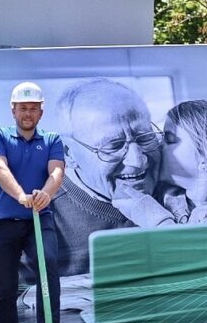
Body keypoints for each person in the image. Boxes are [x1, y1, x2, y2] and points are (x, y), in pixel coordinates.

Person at [0, 81, 71, 323]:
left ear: (41, 112)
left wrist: (46, 193)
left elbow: (57, 170)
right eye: (23, 108)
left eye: (33, 108)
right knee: (5, 289)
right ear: (13, 110)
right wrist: (20, 195)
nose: (28, 113)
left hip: (40, 218)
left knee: (48, 267)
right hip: (3, 222)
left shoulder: (51, 139)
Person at [51, 78, 166, 272]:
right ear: (68, 153)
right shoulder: (34, 217)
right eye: (112, 146)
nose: (138, 161)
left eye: (145, 138)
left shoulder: (182, 192)